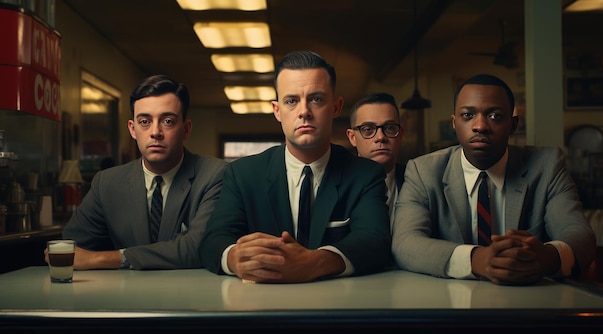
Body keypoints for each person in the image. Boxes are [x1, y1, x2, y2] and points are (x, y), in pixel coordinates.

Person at [199, 50, 391, 283]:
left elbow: (374, 241)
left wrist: (313, 262)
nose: (304, 112)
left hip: (339, 307)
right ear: (277, 110)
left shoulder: (365, 175)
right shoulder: (242, 174)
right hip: (260, 305)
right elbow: (213, 241)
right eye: (291, 101)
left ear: (336, 107)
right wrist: (234, 258)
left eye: (316, 99)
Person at [392, 73, 596, 286]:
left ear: (513, 124)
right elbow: (405, 243)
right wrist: (478, 260)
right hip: (451, 303)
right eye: (468, 115)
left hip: (529, 301)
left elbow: (581, 236)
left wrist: (547, 257)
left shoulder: (546, 166)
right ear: (454, 123)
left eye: (495, 116)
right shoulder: (423, 171)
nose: (480, 126)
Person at [45, 74, 227, 270]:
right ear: (132, 129)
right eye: (144, 122)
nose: (155, 132)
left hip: (189, 296)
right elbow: (72, 249)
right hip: (123, 296)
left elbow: (198, 247)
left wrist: (107, 259)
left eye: (167, 121)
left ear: (186, 129)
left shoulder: (214, 175)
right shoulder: (107, 183)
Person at [346, 92, 405, 224]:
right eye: (368, 129)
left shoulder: (417, 181)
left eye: (389, 128)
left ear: (400, 135)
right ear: (352, 138)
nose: (380, 137)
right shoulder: (336, 184)